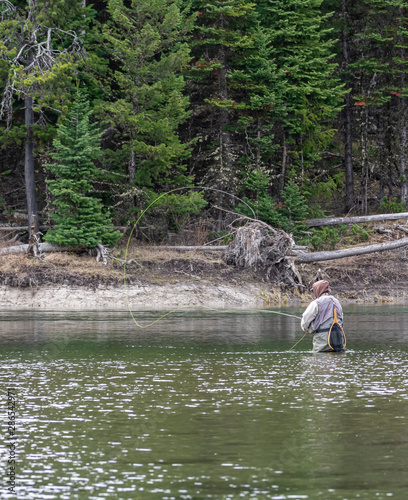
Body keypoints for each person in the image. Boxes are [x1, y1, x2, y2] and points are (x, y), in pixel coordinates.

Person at [301, 280, 344, 353]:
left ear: (318, 290)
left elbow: (305, 320)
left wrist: (306, 328)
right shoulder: (337, 302)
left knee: (320, 360)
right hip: (339, 339)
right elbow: (341, 319)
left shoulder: (316, 303)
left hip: (323, 341)